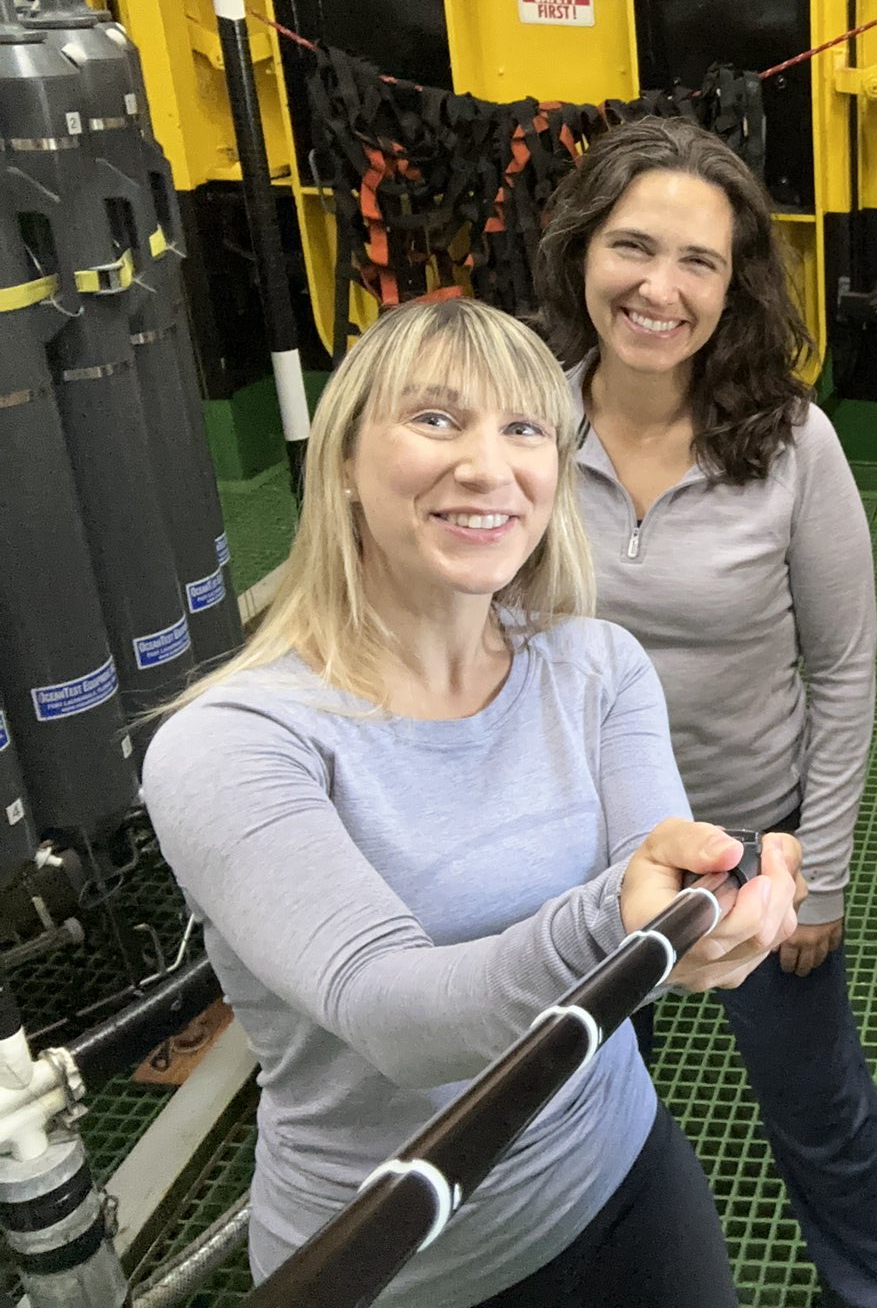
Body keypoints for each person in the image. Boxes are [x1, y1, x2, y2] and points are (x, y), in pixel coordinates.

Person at [141, 296, 803, 1308]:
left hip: (624, 1180)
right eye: (437, 420)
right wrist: (624, 926)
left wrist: (713, 900)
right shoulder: (234, 743)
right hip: (402, 1268)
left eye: (524, 428)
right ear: (347, 463)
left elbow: (652, 866)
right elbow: (392, 1013)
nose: (488, 467)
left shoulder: (595, 666)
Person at [532, 117, 877, 1308]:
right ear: (581, 254)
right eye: (632, 247)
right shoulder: (528, 428)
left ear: (736, 286)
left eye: (698, 262)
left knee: (820, 1116)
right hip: (583, 860)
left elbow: (847, 665)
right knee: (589, 1114)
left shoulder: (792, 444)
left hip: (745, 849)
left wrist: (815, 877)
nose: (659, 288)